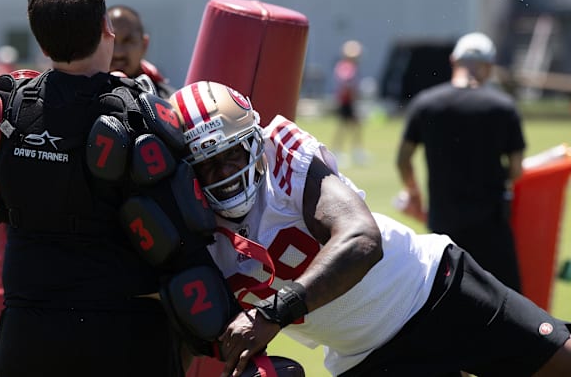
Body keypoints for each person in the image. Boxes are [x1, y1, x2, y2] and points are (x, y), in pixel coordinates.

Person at [168, 80, 571, 377]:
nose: (224, 174)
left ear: (253, 142)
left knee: (562, 361)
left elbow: (361, 239)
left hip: (432, 290)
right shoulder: (191, 228)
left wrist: (273, 312)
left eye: (232, 155)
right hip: (363, 356)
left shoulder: (282, 153)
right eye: (207, 165)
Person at [0, 0, 183, 375]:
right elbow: (180, 223)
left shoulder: (8, 105)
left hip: (26, 331)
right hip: (122, 331)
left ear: (41, 42)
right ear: (107, 29)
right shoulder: (138, 112)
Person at [395, 32, 525, 293]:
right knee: (506, 303)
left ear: (453, 60)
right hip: (492, 225)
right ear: (488, 66)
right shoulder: (503, 107)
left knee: (447, 303)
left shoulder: (426, 104)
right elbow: (516, 169)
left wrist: (414, 193)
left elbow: (403, 159)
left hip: (444, 225)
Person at [107, 4, 174, 98]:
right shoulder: (83, 97)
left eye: (128, 41)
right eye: (111, 41)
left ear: (144, 44)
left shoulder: (167, 102)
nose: (119, 53)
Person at [331, 40, 365, 165]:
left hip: (349, 101)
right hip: (346, 101)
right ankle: (340, 152)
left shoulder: (350, 66)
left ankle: (355, 151)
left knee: (354, 126)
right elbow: (346, 83)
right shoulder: (345, 66)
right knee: (345, 128)